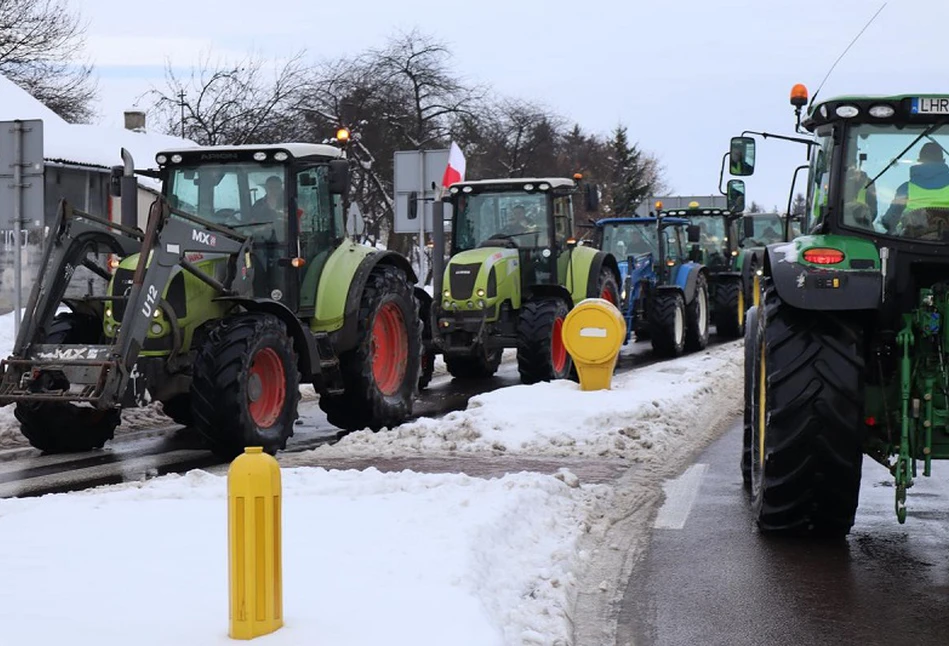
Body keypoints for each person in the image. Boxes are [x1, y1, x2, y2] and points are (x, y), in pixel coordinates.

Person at [880, 141, 949, 233]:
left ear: (920, 161)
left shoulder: (905, 189)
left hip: (911, 244)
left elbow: (889, 220)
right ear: (943, 161)